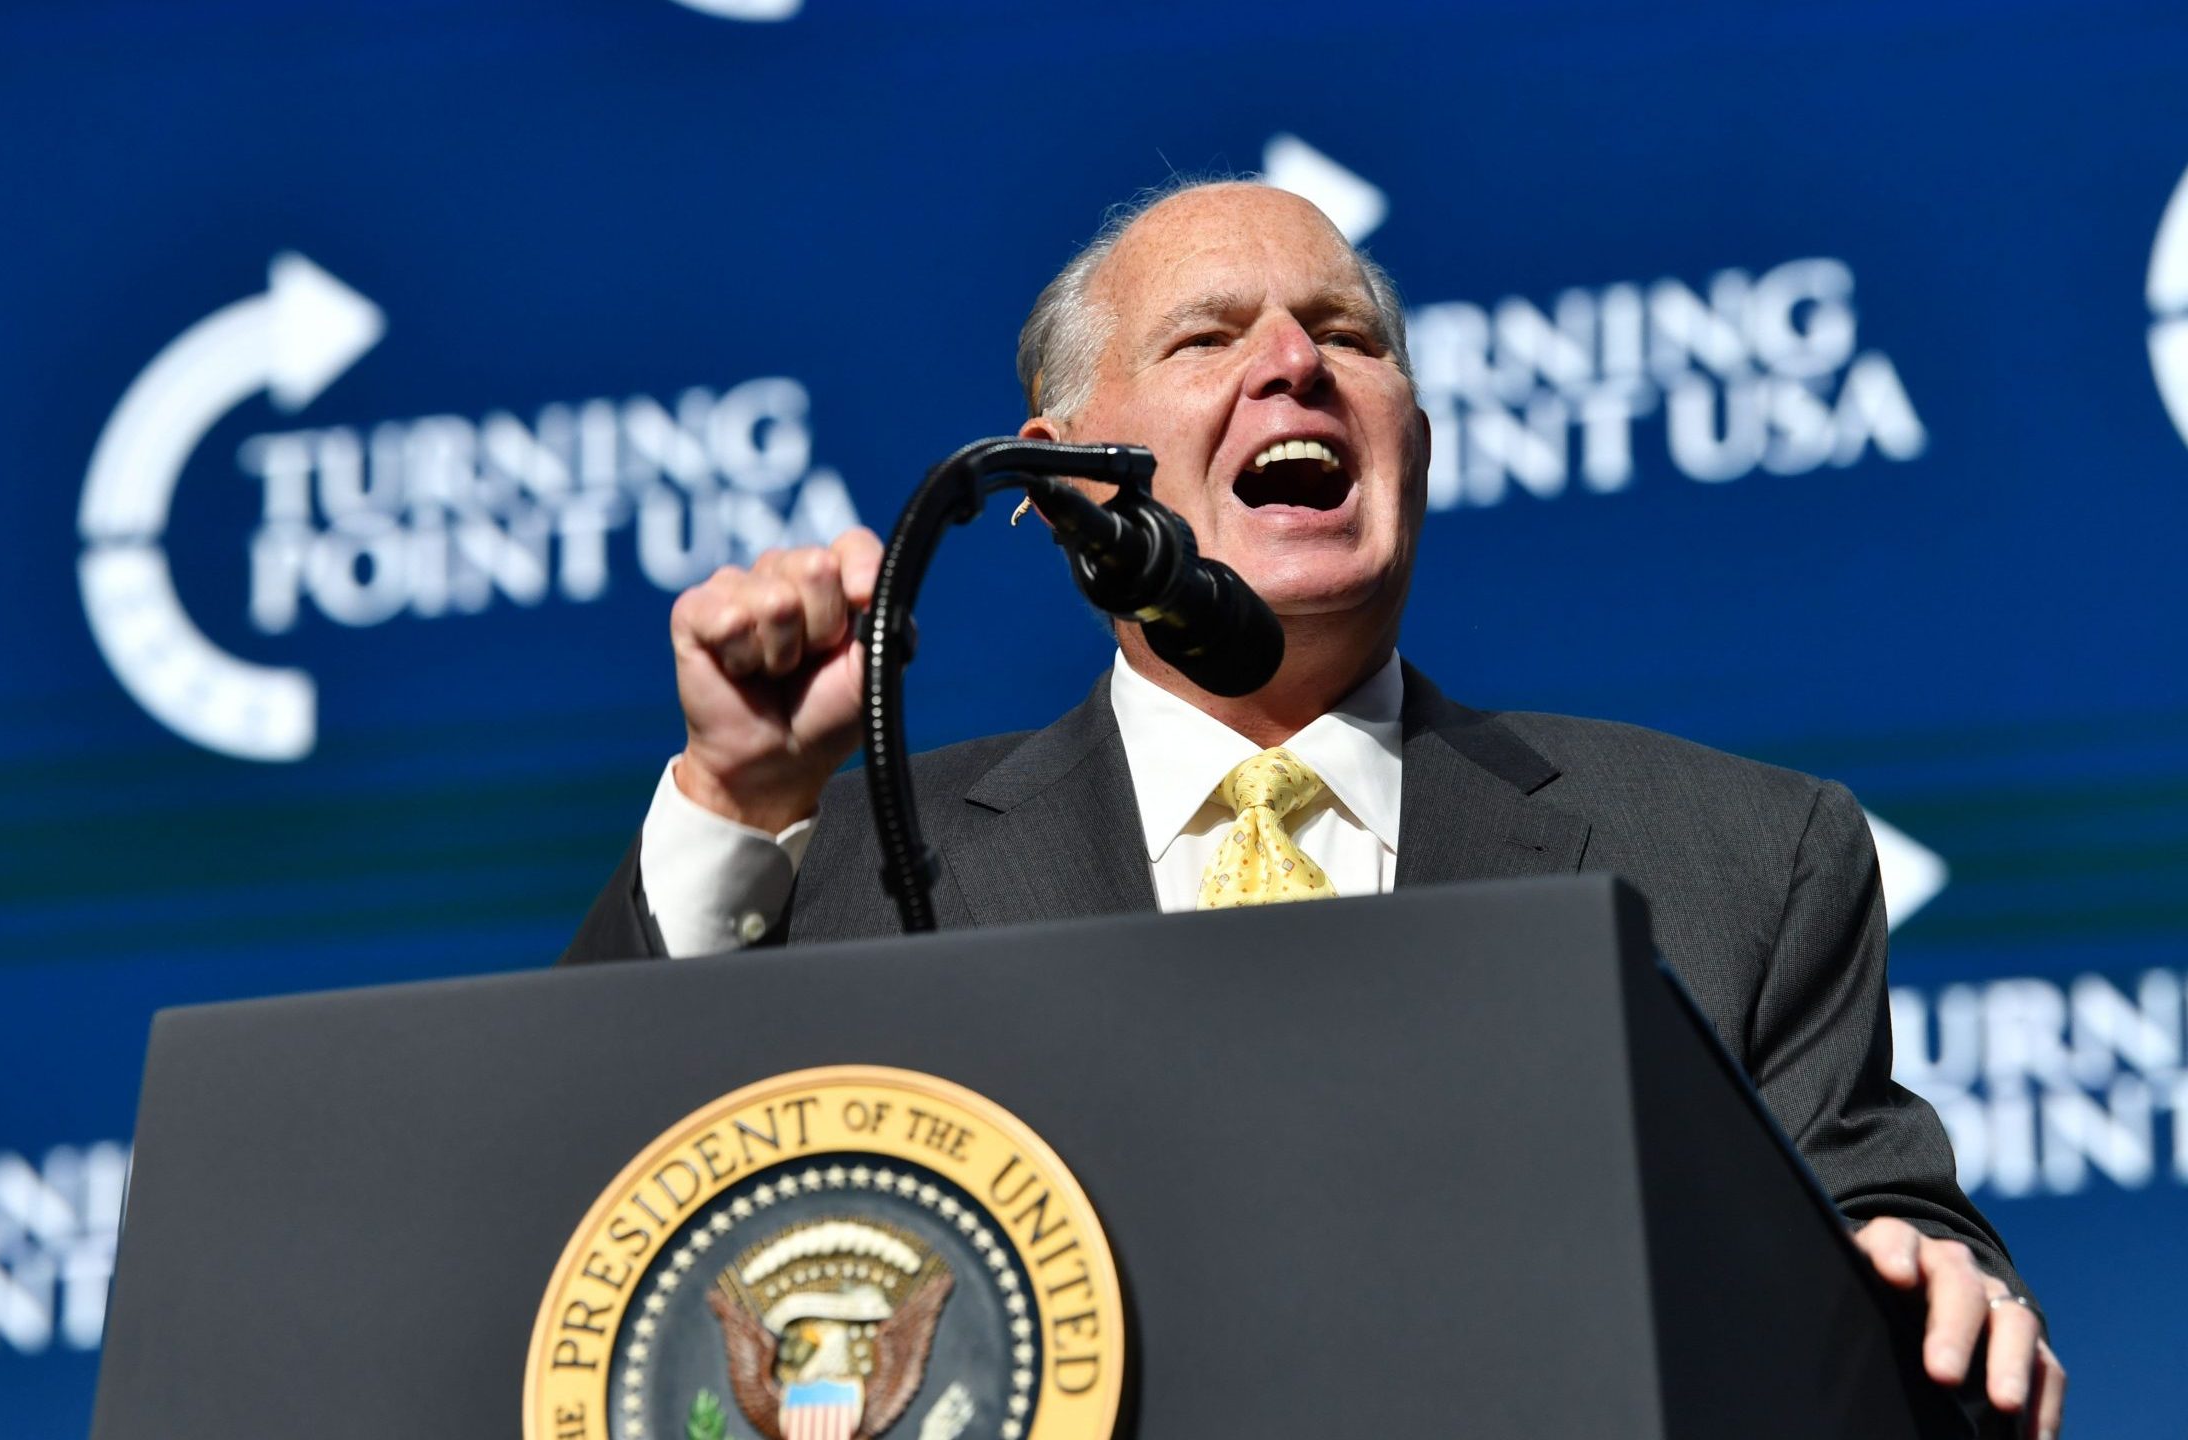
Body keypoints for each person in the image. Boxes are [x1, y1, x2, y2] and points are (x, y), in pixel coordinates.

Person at [562, 178, 2065, 1434]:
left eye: (1347, 334)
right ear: (1063, 478)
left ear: (1411, 437)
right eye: (1210, 336)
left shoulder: (1739, 855)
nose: (1297, 362)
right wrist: (741, 800)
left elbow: (1896, 1242)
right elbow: (575, 1227)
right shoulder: (856, 869)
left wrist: (1924, 1285)